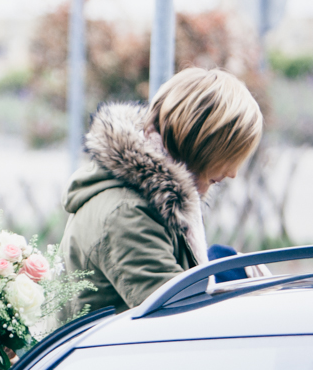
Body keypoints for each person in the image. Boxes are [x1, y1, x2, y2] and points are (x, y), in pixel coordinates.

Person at [60, 67, 263, 316]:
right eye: (231, 155)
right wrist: (242, 286)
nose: (233, 173)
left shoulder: (150, 201)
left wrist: (223, 266)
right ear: (203, 143)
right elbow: (180, 318)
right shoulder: (126, 213)